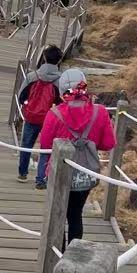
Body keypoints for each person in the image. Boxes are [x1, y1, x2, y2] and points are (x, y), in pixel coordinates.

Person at [38, 68, 117, 243]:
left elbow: (45, 144)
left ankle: (58, 253)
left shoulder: (54, 113)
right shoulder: (100, 111)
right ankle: (74, 255)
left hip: (60, 172)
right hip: (85, 173)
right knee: (75, 214)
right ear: (84, 86)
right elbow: (108, 144)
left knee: (59, 213)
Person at [16, 45, 63, 183]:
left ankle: (22, 174)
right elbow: (62, 102)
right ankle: (41, 179)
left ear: (43, 58)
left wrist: (28, 105)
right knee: (46, 148)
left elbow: (21, 96)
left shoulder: (32, 76)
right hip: (51, 118)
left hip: (31, 116)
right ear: (59, 61)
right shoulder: (60, 81)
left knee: (26, 144)